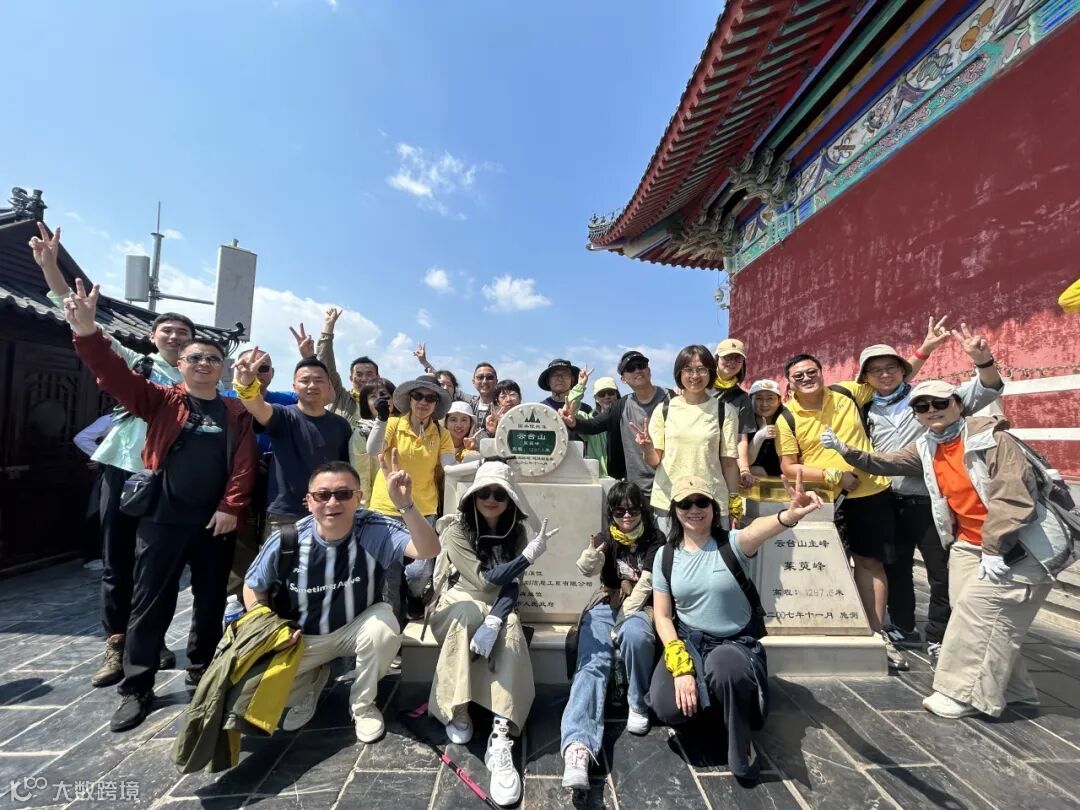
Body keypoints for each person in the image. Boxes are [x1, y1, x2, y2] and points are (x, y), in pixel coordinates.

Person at [64, 280, 256, 732]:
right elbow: (112, 374)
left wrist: (231, 507)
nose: (204, 364)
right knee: (151, 601)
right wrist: (87, 331)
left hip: (215, 522)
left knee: (210, 601)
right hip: (163, 518)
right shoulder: (161, 400)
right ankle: (137, 686)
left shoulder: (235, 413)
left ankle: (202, 671)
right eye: (195, 358)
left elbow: (244, 464)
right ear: (180, 364)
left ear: (222, 368)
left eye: (212, 359)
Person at [820, 381, 1057, 719]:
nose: (931, 410)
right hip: (969, 542)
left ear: (957, 404)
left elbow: (1013, 496)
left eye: (939, 403)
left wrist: (994, 547)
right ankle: (1014, 691)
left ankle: (963, 694)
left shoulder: (992, 439)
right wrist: (846, 451)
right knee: (970, 614)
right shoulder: (928, 445)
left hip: (1017, 544)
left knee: (980, 614)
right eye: (922, 406)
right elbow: (886, 463)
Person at [30, 223, 196, 685]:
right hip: (124, 468)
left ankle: (152, 639)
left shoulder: (202, 380)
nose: (175, 336)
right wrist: (51, 268)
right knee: (117, 560)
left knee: (159, 566)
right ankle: (116, 643)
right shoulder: (135, 365)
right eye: (168, 330)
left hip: (169, 478)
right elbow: (82, 323)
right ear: (153, 336)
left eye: (184, 332)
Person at [775, 318, 947, 670]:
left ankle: (875, 633)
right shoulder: (787, 418)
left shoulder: (847, 393)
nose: (806, 378)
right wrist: (834, 474)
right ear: (789, 383)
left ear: (822, 373)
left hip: (870, 494)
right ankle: (826, 624)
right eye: (798, 376)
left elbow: (891, 379)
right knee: (826, 563)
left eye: (811, 372)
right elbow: (789, 468)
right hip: (824, 500)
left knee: (870, 563)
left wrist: (924, 350)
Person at [243, 457, 440, 741]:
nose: (333, 502)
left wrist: (405, 505)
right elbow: (253, 586)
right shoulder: (288, 540)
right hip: (302, 637)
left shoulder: (373, 528)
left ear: (359, 498)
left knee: (384, 629)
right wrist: (267, 628)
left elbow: (428, 550)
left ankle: (363, 705)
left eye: (344, 494)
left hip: (355, 627)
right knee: (253, 687)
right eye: (323, 495)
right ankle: (310, 683)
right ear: (308, 502)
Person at [648, 474, 822, 783]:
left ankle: (741, 744)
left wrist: (789, 515)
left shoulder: (732, 543)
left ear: (713, 507)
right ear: (674, 510)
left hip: (733, 643)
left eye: (701, 502)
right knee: (666, 706)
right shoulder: (666, 555)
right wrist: (679, 661)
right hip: (689, 642)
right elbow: (662, 615)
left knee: (724, 668)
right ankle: (715, 711)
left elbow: (758, 529)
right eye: (685, 504)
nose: (694, 509)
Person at [849, 330, 1003, 664]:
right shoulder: (866, 408)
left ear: (903, 370)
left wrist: (982, 361)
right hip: (888, 499)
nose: (885, 375)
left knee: (940, 571)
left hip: (931, 501)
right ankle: (904, 626)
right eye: (876, 371)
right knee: (896, 568)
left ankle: (939, 634)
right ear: (866, 378)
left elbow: (988, 388)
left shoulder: (930, 397)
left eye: (891, 368)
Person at [427, 461, 558, 806]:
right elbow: (483, 581)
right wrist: (526, 558)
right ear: (472, 496)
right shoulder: (456, 530)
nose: (491, 499)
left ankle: (501, 732)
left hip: (497, 605)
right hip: (458, 599)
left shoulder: (517, 532)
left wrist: (496, 621)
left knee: (513, 626)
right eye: (484, 492)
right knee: (467, 613)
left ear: (509, 499)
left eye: (499, 493)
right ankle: (456, 706)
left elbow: (511, 586)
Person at [561, 482, 663, 790]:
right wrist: (591, 556)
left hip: (642, 607)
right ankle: (578, 745)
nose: (627, 516)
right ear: (612, 513)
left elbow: (646, 585)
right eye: (620, 511)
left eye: (633, 509)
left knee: (635, 636)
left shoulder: (655, 539)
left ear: (642, 509)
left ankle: (638, 702)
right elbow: (585, 570)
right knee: (592, 660)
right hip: (608, 602)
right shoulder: (606, 537)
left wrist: (621, 621)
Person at [231, 349, 351, 538]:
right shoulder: (282, 415)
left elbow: (345, 469)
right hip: (285, 514)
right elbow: (256, 405)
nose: (312, 385)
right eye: (305, 380)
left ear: (329, 386)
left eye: (319, 380)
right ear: (294, 387)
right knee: (281, 558)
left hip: (329, 510)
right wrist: (246, 384)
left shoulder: (341, 425)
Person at [367, 374, 456, 598]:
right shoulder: (393, 424)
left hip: (423, 510)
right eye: (418, 396)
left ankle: (412, 597)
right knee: (389, 576)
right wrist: (381, 420)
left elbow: (450, 468)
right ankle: (395, 615)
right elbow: (373, 450)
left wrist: (483, 463)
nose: (423, 402)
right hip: (387, 507)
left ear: (436, 404)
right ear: (410, 399)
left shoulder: (442, 434)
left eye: (430, 398)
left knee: (419, 573)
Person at [635, 345, 740, 535]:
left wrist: (734, 504)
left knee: (713, 553)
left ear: (711, 372)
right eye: (688, 369)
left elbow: (729, 463)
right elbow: (655, 460)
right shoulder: (664, 409)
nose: (695, 375)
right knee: (669, 553)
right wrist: (647, 447)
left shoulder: (725, 411)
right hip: (669, 500)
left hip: (711, 502)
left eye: (701, 369)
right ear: (679, 373)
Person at [227, 348, 299, 595]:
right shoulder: (224, 399)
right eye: (247, 365)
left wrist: (311, 354)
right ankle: (239, 602)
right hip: (236, 481)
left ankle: (273, 600)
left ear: (272, 373)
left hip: (277, 480)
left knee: (276, 545)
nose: (255, 371)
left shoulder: (287, 399)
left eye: (263, 368)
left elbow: (322, 392)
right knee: (239, 546)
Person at [564, 350, 671, 499]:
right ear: (623, 379)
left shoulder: (672, 399)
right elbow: (592, 425)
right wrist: (574, 422)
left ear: (649, 370)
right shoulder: (620, 407)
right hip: (633, 490)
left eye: (641, 365)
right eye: (630, 368)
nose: (637, 370)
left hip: (669, 486)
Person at [314, 306, 380, 426]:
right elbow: (327, 367)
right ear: (350, 377)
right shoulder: (338, 394)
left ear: (378, 377)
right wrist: (328, 328)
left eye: (369, 374)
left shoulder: (387, 402)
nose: (364, 379)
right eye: (358, 374)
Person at [712, 339, 759, 488]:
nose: (732, 362)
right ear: (716, 359)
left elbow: (740, 438)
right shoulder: (699, 386)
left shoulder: (742, 397)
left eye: (738, 359)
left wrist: (744, 470)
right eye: (727, 357)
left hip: (723, 466)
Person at [564, 369, 618, 476]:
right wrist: (580, 385)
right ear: (596, 399)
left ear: (616, 395)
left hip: (624, 479)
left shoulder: (626, 416)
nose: (607, 396)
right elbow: (569, 410)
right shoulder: (588, 419)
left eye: (611, 393)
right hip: (599, 478)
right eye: (601, 394)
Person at [353, 378, 397, 505]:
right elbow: (361, 477)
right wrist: (365, 509)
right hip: (379, 505)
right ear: (365, 403)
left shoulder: (407, 425)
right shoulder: (362, 432)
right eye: (373, 397)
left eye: (384, 395)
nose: (379, 400)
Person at [746, 380, 783, 477]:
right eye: (758, 398)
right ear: (750, 400)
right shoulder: (743, 421)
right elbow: (744, 462)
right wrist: (759, 436)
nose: (764, 404)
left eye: (770, 398)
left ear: (779, 401)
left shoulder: (786, 419)